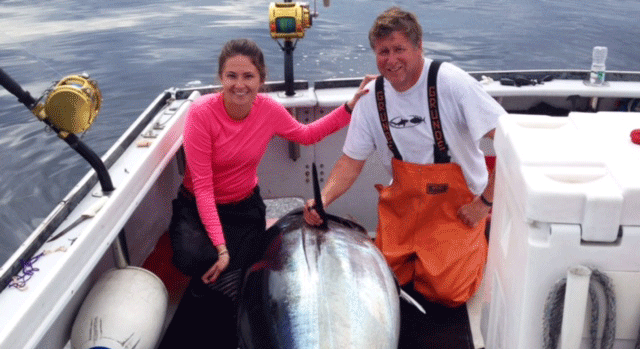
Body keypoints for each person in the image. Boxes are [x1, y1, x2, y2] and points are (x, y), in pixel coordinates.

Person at [304, 8, 506, 307]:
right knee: (381, 284)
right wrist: (323, 200)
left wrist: (485, 204)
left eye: (399, 49)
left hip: (458, 209)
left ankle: (479, 239)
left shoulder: (451, 83)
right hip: (404, 206)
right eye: (383, 51)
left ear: (419, 46)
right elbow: (350, 161)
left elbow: (511, 141)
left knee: (448, 293)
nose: (391, 60)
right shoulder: (372, 97)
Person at [170, 38, 373, 302]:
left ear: (261, 80)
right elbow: (204, 189)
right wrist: (220, 249)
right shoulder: (201, 113)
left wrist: (349, 108)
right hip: (198, 205)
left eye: (248, 76)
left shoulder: (268, 110)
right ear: (220, 77)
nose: (239, 85)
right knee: (193, 259)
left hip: (244, 208)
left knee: (250, 266)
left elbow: (307, 134)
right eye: (231, 76)